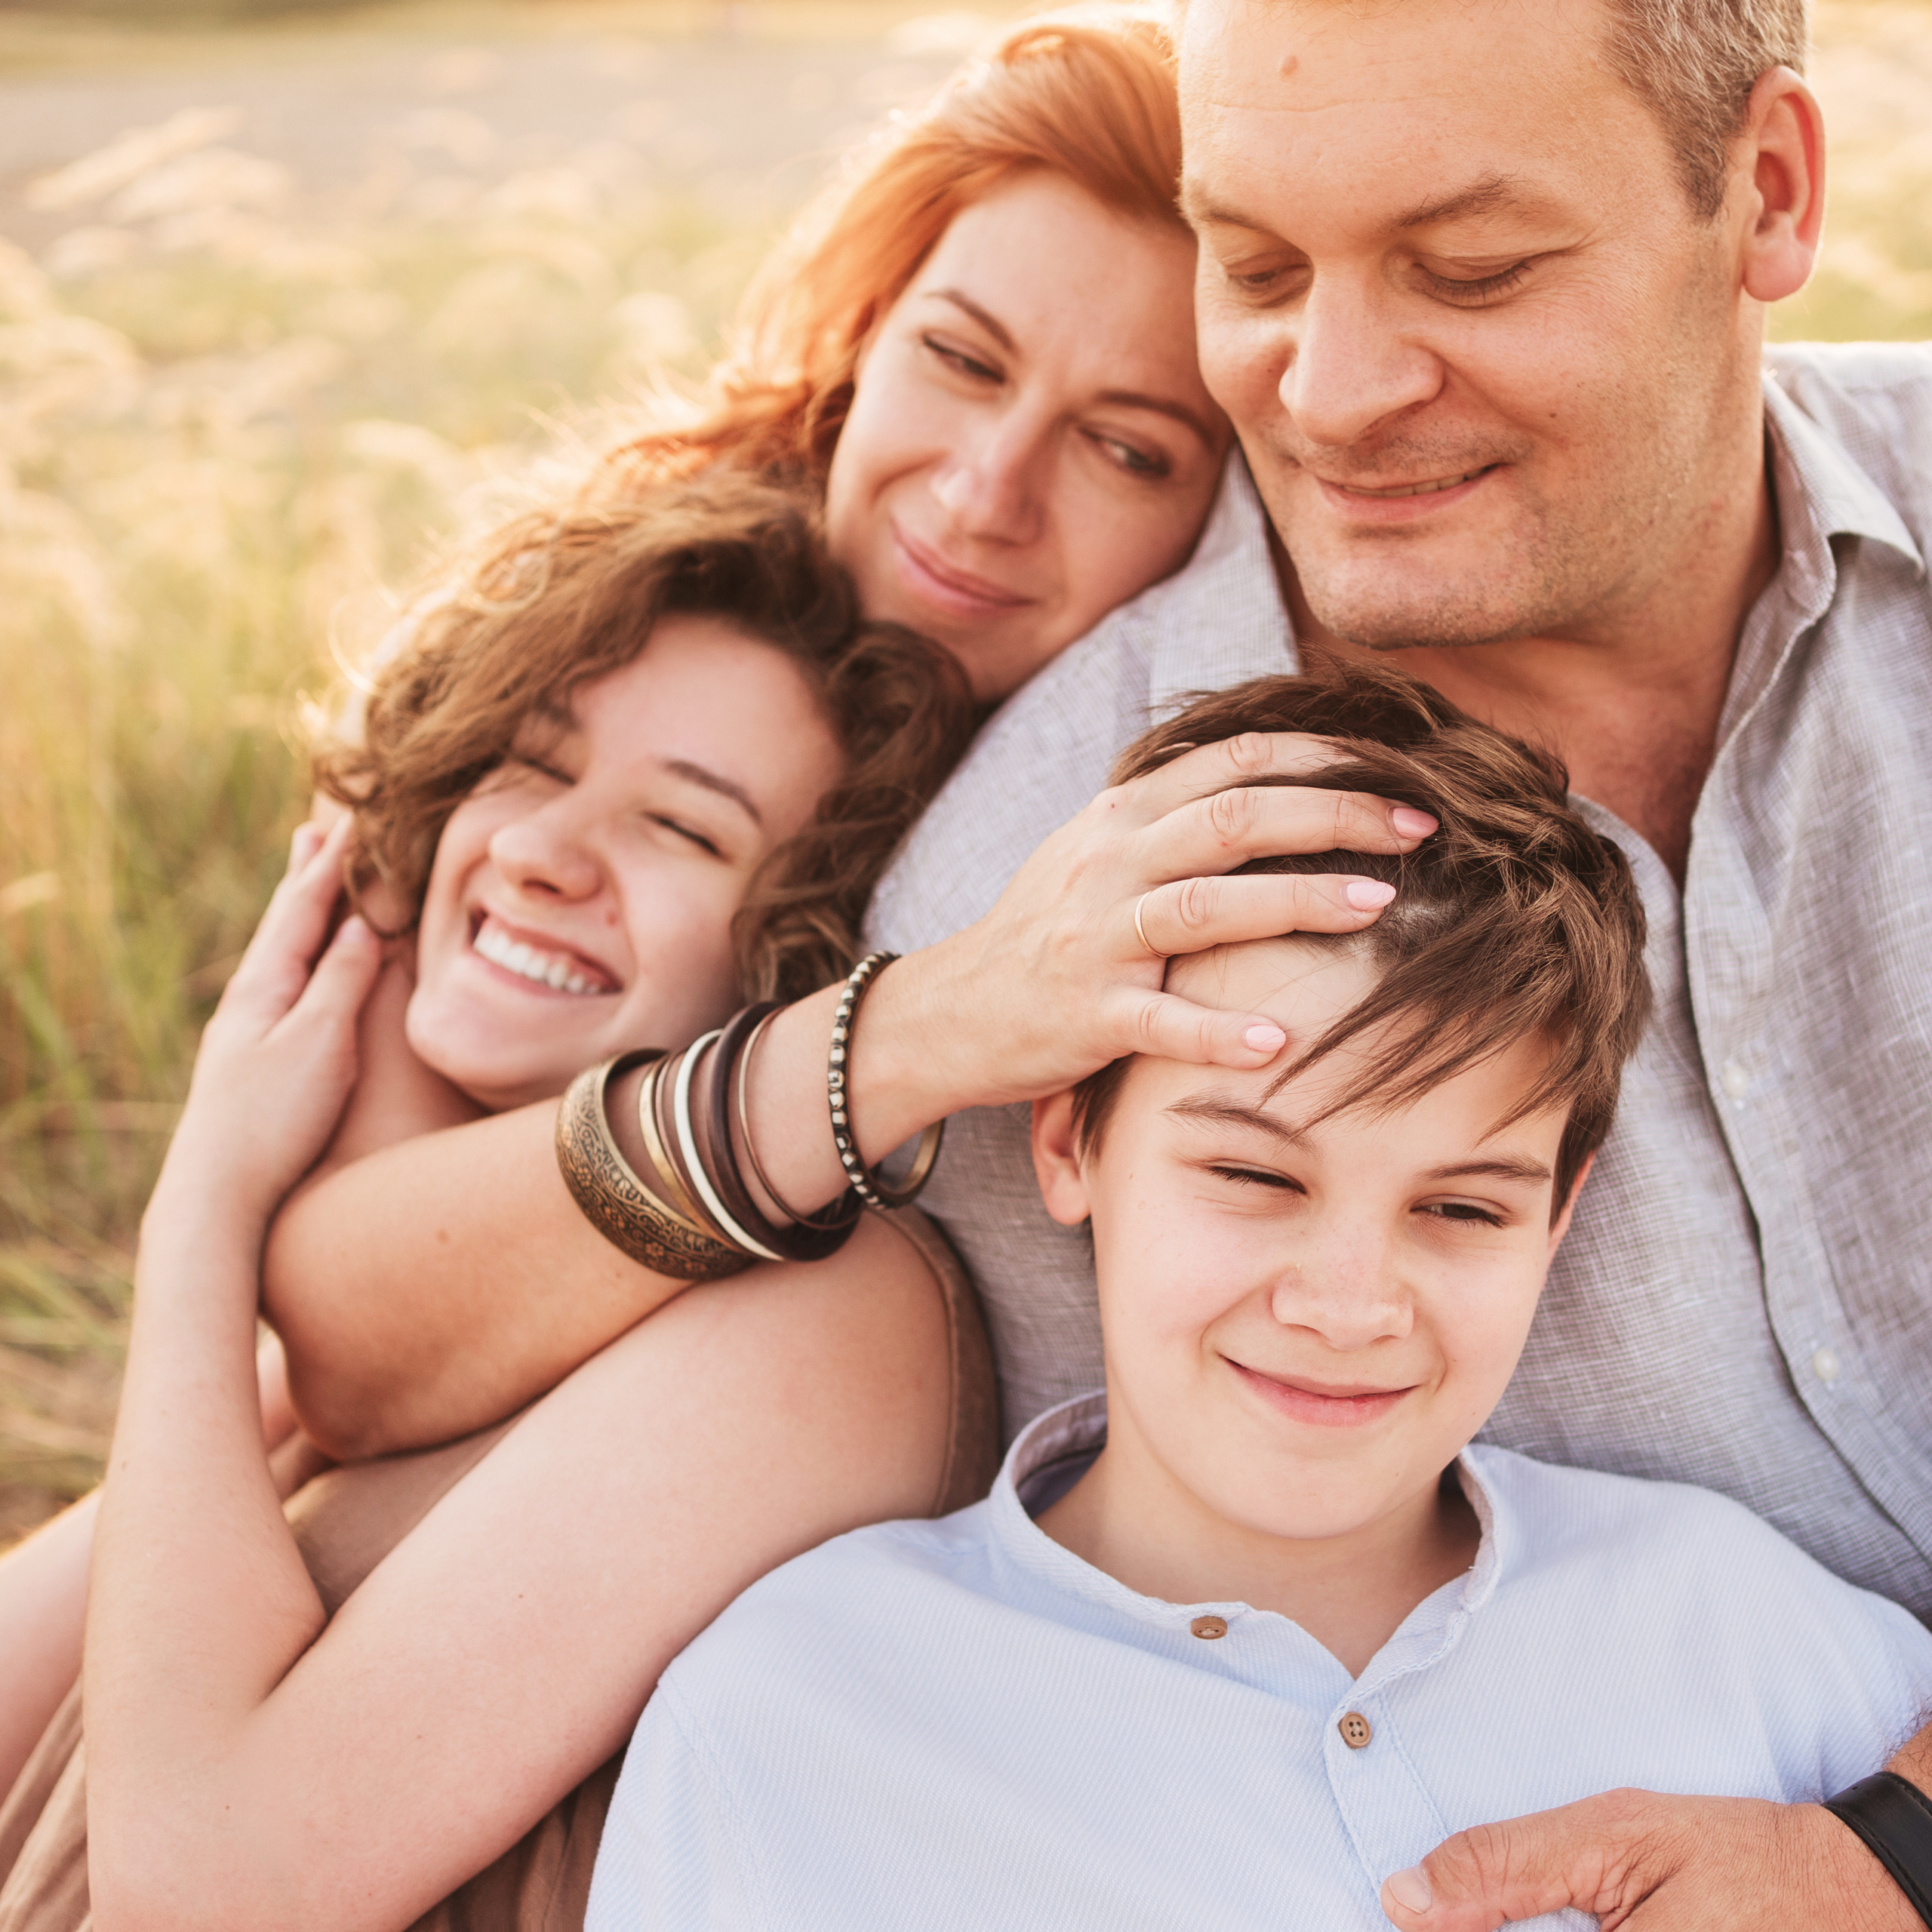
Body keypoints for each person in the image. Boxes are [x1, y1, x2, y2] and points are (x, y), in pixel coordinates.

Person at [263, 0, 1932, 1914]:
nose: (1331, 386)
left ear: (1770, 192)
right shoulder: (1034, 874)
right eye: (1255, 267)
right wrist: (891, 1036)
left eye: (1469, 268)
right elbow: (385, 1349)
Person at [584, 669, 1932, 1930]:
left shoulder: (1741, 1622)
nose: (1351, 1307)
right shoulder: (793, 1720)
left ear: (1559, 1214)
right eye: (1250, 1174)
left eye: (1461, 1208)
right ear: (1069, 1144)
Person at [0, 475, 987, 1925]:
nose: (538, 851)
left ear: (797, 951)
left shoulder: (832, 1319)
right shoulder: (363, 1359)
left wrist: (206, 1207)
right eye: (523, 764)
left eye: (684, 829)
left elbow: (203, 1901)